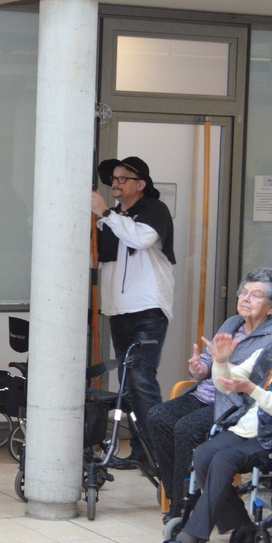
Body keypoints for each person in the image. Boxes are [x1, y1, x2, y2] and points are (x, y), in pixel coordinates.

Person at [145, 297, 272, 543]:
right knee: (203, 454)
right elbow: (227, 383)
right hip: (247, 428)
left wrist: (253, 390)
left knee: (224, 459)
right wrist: (221, 362)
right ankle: (245, 529)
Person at [149, 267, 272, 521]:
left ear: (271, 307)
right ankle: (178, 492)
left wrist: (224, 365)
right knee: (157, 416)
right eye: (243, 293)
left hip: (234, 403)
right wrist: (199, 368)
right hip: (204, 395)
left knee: (186, 428)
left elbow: (260, 378)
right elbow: (208, 359)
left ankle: (183, 506)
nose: (245, 299)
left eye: (255, 295)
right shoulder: (232, 323)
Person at [91, 156, 176, 468]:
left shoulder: (154, 209)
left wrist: (105, 213)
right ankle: (142, 452)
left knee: (142, 380)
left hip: (147, 309)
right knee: (127, 384)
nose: (115, 183)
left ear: (140, 184)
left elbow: (140, 238)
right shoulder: (113, 217)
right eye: (113, 178)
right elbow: (101, 259)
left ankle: (160, 456)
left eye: (122, 178)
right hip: (119, 310)